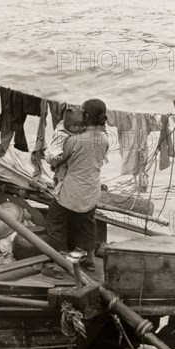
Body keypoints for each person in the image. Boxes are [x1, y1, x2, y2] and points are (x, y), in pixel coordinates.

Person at [46, 99, 109, 271]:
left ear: (86, 116)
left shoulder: (74, 141)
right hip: (91, 191)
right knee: (87, 224)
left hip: (71, 192)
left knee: (56, 222)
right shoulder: (104, 139)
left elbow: (55, 159)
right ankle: (89, 260)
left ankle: (58, 264)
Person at [44, 107, 85, 190]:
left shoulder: (72, 130)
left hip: (72, 169)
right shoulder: (61, 135)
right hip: (61, 168)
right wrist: (57, 157)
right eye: (79, 126)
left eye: (82, 126)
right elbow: (54, 153)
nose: (81, 128)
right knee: (62, 185)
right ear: (72, 126)